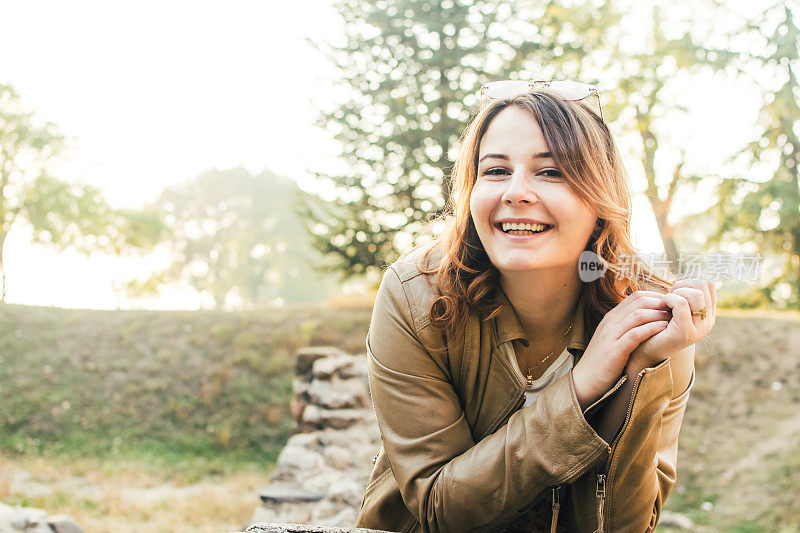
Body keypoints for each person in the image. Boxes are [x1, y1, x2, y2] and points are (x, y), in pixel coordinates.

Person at [355, 80, 715, 533]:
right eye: (495, 171)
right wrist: (581, 387)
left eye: (550, 172)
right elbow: (438, 508)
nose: (516, 192)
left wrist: (638, 373)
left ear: (600, 198)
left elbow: (623, 524)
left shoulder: (652, 318)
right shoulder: (414, 295)